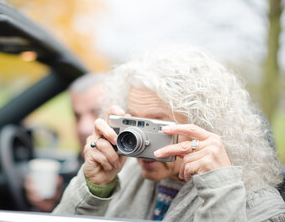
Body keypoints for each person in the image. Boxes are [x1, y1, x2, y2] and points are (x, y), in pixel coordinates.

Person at [53, 45, 285, 221]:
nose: (137, 141)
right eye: (133, 122)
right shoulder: (124, 173)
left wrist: (221, 191)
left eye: (156, 126)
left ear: (204, 125)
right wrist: (94, 188)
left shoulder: (259, 207)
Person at [25, 73, 106, 212]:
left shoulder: (135, 174)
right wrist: (53, 203)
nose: (83, 128)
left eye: (97, 112)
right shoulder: (79, 165)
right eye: (77, 116)